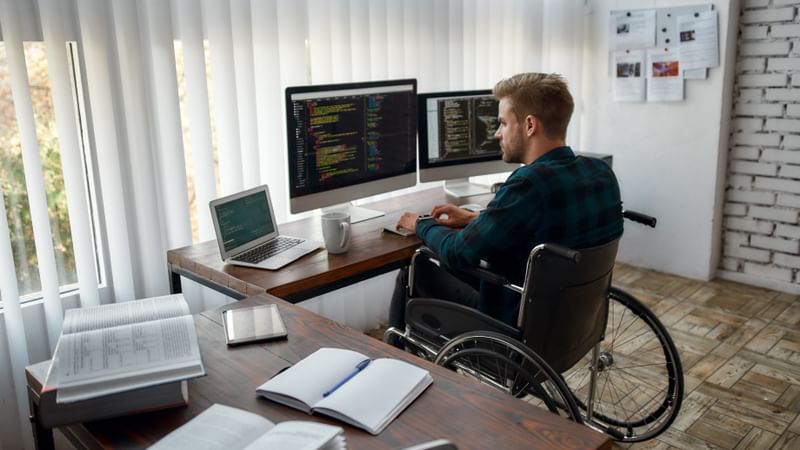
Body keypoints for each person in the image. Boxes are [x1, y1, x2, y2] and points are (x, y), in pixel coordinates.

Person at [388, 72, 623, 338]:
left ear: (530, 125)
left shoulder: (529, 184)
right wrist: (472, 219)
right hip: (573, 324)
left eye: (502, 123)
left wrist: (421, 224)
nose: (497, 134)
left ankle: (396, 359)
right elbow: (545, 225)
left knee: (416, 267)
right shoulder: (600, 172)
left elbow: (458, 252)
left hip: (513, 329)